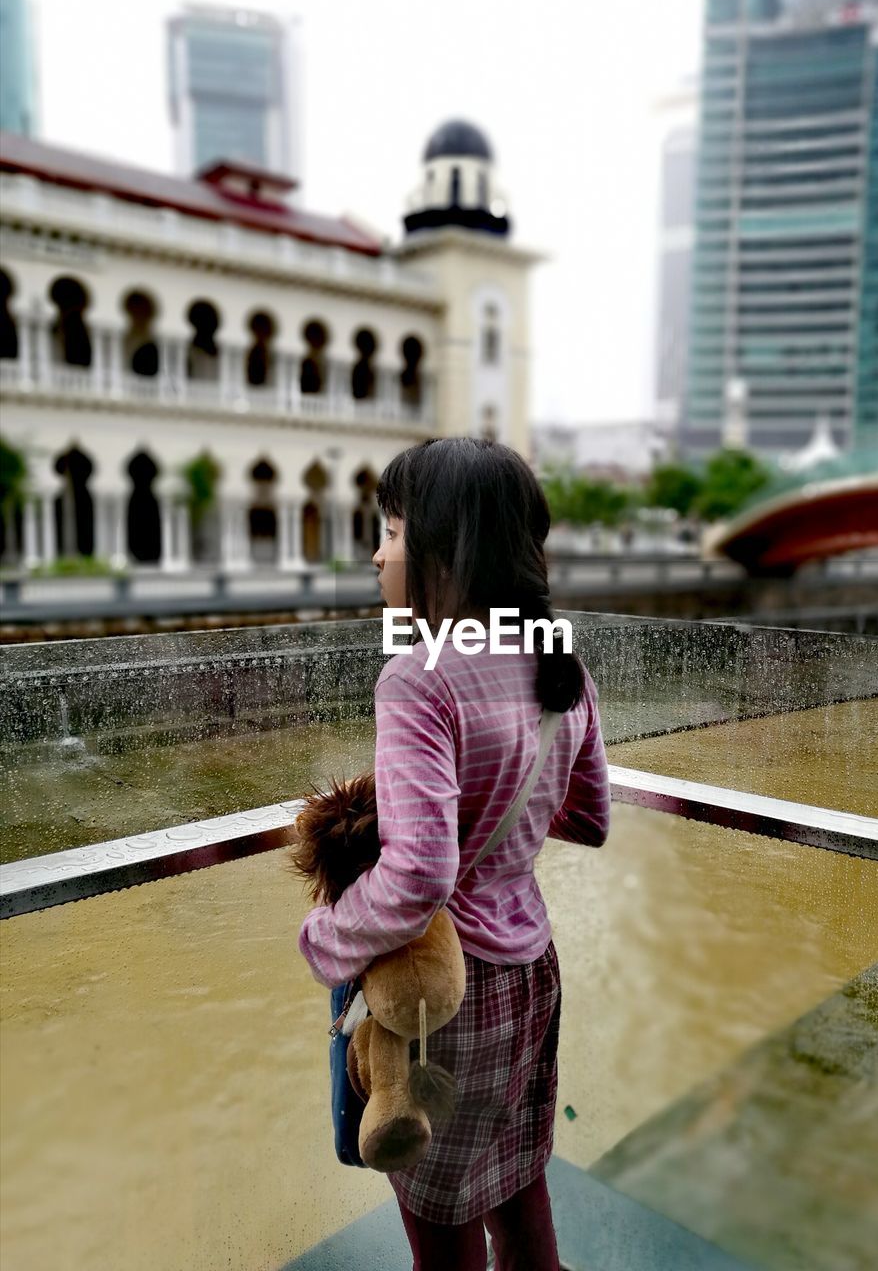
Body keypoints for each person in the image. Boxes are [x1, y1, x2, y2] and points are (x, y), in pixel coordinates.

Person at [298, 437, 611, 1270]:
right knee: (516, 1181)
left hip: (445, 1003)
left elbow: (419, 875)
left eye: (392, 531)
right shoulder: (559, 666)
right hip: (532, 972)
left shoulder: (418, 679)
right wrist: (501, 825)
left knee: (440, 1223)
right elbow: (590, 818)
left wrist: (325, 941)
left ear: (447, 547)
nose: (376, 553)